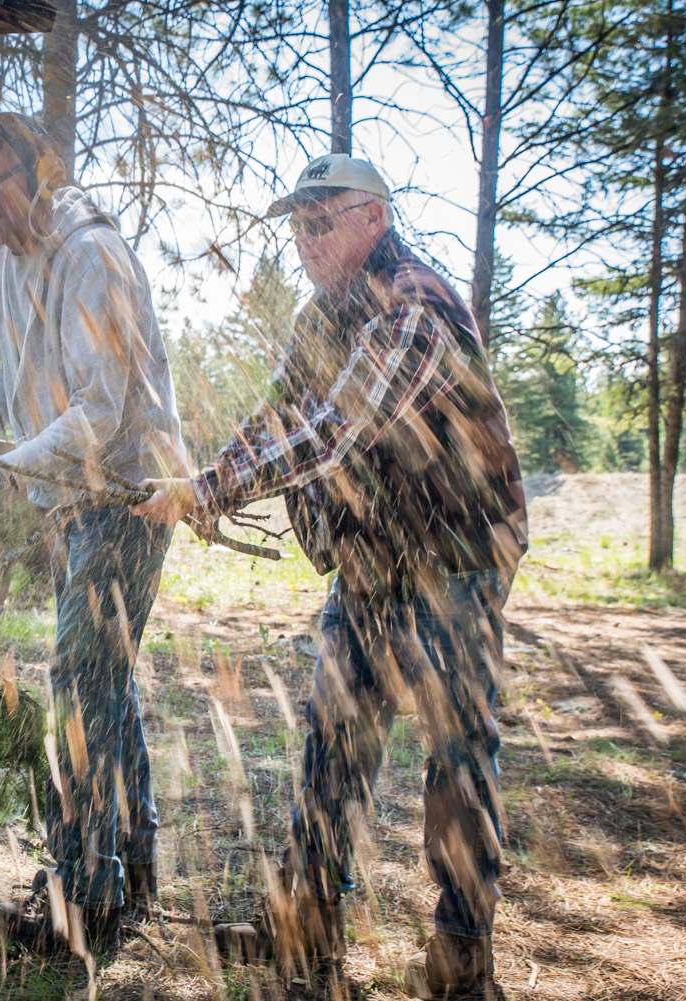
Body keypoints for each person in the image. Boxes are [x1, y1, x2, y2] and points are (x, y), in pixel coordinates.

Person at [132, 154, 528, 999]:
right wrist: (200, 483)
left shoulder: (415, 306)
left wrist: (210, 490)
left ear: (373, 220)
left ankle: (461, 963)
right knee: (332, 742)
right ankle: (302, 932)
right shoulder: (322, 318)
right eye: (297, 227)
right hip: (372, 563)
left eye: (321, 223)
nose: (305, 242)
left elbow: (334, 433)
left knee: (458, 754)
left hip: (455, 564)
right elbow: (278, 414)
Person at [0, 112, 184, 957]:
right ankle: (132, 868)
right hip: (77, 498)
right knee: (105, 681)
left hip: (130, 494)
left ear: (37, 175)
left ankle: (86, 897)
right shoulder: (10, 255)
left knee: (78, 684)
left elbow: (98, 412)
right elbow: (17, 369)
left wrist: (3, 473)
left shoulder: (91, 254)